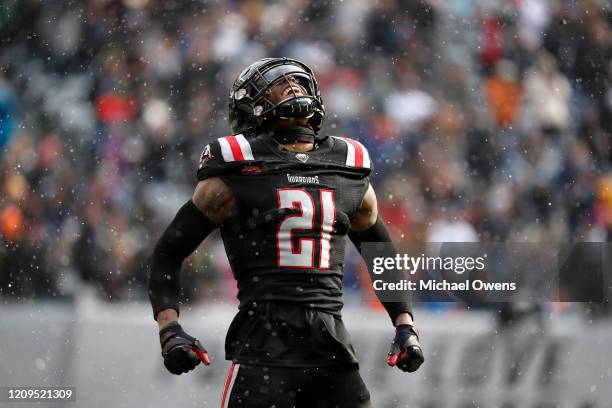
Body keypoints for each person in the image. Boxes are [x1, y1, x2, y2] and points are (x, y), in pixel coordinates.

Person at [148, 57, 424, 407]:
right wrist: (168, 328)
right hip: (264, 345)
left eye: (298, 81)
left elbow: (381, 253)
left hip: (330, 346)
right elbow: (169, 252)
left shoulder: (346, 165)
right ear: (252, 106)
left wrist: (404, 325)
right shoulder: (237, 166)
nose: (293, 86)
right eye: (279, 83)